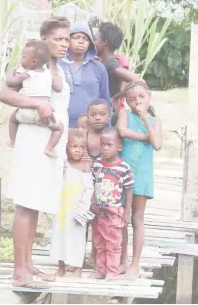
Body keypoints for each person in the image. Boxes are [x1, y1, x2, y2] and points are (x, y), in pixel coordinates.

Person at [0, 16, 71, 289]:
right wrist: (35, 105)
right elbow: (4, 94)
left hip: (49, 143)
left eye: (66, 39)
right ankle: (19, 273)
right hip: (32, 141)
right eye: (58, 39)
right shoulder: (28, 65)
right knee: (26, 203)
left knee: (37, 202)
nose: (64, 44)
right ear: (44, 39)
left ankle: (28, 264)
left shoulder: (57, 70)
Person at [116, 81, 162, 280]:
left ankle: (135, 263)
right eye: (132, 99)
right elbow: (122, 132)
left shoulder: (154, 120)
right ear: (126, 101)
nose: (137, 102)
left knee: (137, 218)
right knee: (121, 217)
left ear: (149, 96)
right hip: (122, 173)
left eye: (141, 97)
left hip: (142, 174)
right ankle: (122, 261)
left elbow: (158, 144)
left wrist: (145, 119)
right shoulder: (124, 115)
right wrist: (146, 137)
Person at [7, 40, 64, 157]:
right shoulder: (49, 73)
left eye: (23, 57)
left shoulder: (28, 73)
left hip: (25, 113)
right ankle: (49, 148)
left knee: (12, 119)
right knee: (59, 128)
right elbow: (59, 88)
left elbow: (10, 82)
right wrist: (56, 76)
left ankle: (13, 141)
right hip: (45, 115)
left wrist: (11, 71)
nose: (20, 59)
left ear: (33, 61)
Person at [50, 129, 94, 278]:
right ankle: (61, 266)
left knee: (78, 238)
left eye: (82, 147)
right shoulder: (63, 164)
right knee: (60, 235)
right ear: (67, 147)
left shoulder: (85, 166)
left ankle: (77, 268)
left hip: (77, 210)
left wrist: (83, 209)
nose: (78, 150)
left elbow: (89, 189)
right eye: (74, 146)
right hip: (62, 208)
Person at [91, 127, 134, 279]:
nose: (105, 148)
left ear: (119, 147)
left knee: (113, 243)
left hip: (114, 212)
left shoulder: (124, 168)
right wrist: (92, 201)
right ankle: (101, 270)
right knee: (99, 241)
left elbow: (129, 190)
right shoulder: (97, 164)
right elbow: (94, 183)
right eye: (103, 144)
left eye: (109, 145)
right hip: (99, 212)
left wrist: (127, 211)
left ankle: (112, 271)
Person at [90, 19, 144, 126]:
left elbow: (139, 81)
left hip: (108, 114)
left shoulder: (111, 64)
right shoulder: (106, 62)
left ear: (104, 42)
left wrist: (115, 97)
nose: (93, 43)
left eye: (95, 40)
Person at [60, 23, 111, 129]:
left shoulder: (99, 67)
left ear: (90, 44)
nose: (81, 41)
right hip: (60, 124)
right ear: (67, 40)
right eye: (76, 37)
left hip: (91, 127)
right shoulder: (57, 65)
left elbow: (105, 99)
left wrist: (107, 128)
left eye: (85, 39)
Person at [82, 99, 112, 268]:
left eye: (102, 114)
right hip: (83, 186)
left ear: (109, 116)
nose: (98, 118)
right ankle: (79, 256)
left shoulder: (111, 138)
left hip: (103, 187)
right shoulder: (82, 136)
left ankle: (95, 256)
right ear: (87, 117)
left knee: (99, 224)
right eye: (93, 115)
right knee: (82, 221)